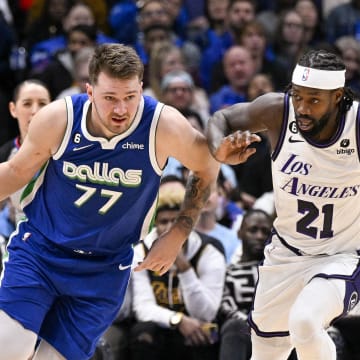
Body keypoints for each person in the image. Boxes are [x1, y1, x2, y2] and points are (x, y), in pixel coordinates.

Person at [0, 43, 220, 360]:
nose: (121, 109)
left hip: (104, 268)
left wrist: (177, 235)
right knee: (9, 351)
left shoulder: (163, 125)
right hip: (41, 254)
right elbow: (16, 172)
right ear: (89, 91)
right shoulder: (59, 118)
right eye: (110, 98)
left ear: (142, 89)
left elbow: (207, 165)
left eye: (130, 97)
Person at [206, 49, 360, 359]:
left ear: (338, 96)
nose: (302, 107)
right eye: (298, 96)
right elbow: (220, 118)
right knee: (264, 353)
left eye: (314, 100)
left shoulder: (356, 124)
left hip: (342, 255)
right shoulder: (278, 110)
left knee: (304, 322)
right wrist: (218, 150)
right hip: (286, 255)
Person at [130, 176, 226, 360]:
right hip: (162, 326)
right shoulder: (141, 251)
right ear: (155, 224)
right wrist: (178, 320)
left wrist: (183, 265)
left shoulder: (209, 251)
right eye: (163, 221)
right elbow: (142, 308)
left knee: (207, 332)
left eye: (176, 222)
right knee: (142, 332)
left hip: (198, 327)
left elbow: (206, 313)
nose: (169, 229)